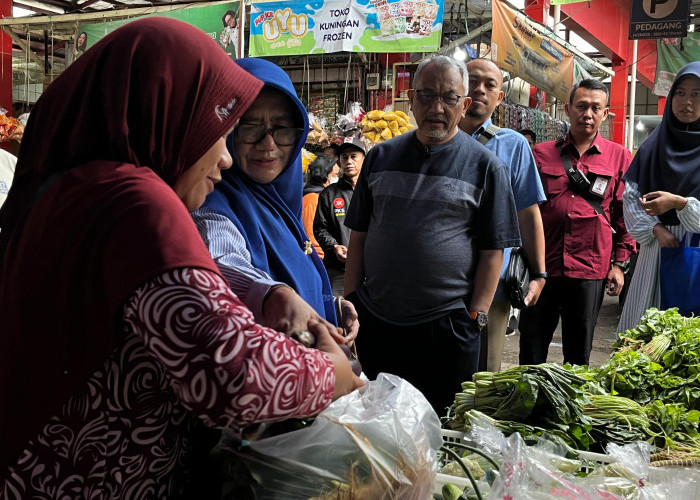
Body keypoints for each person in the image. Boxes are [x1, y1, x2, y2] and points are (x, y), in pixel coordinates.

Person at [0, 18, 362, 496]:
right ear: (166, 112)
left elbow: (166, 304)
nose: (228, 157)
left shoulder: (78, 188)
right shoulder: (136, 204)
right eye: (220, 127)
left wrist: (266, 292)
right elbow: (231, 374)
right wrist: (335, 375)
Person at [344, 54, 520, 414]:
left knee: (439, 428)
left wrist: (476, 317)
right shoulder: (379, 157)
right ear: (411, 99)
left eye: (449, 97)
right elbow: (358, 236)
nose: (436, 107)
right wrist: (351, 302)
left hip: (447, 328)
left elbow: (493, 252)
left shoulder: (486, 167)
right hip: (378, 322)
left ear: (464, 104)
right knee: (377, 423)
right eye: (426, 95)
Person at [192, 57, 359, 346]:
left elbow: (294, 271)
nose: (268, 145)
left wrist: (329, 306)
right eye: (250, 127)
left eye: (282, 129)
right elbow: (224, 265)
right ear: (227, 131)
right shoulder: (212, 205)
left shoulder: (280, 204)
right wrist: (272, 295)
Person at [519, 79, 636, 366]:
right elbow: (523, 209)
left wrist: (619, 265)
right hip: (543, 269)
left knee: (578, 353)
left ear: (605, 113)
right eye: (581, 106)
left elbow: (625, 215)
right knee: (532, 345)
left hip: (590, 269)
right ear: (568, 109)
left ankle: (570, 408)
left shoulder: (619, 156)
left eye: (596, 108)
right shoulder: (541, 154)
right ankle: (527, 407)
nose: (588, 113)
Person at [458, 58, 547, 373]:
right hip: (435, 283)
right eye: (472, 81)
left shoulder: (513, 146)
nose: (479, 90)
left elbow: (528, 212)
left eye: (489, 85)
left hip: (493, 288)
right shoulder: (432, 137)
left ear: (499, 97)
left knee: (483, 377)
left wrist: (539, 274)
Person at [618, 62, 700, 332]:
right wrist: (656, 228)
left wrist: (680, 203)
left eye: (697, 94)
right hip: (658, 250)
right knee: (646, 338)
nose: (686, 102)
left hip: (696, 254)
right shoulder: (653, 145)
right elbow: (630, 198)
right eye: (680, 93)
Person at [314, 136, 365, 296]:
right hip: (338, 271)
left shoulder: (372, 191)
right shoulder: (328, 194)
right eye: (344, 157)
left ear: (364, 159)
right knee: (340, 314)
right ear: (339, 162)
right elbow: (320, 228)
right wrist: (334, 246)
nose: (349, 161)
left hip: (370, 270)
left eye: (353, 156)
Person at [303, 154, 339, 259]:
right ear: (324, 176)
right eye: (335, 175)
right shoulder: (312, 199)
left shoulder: (321, 195)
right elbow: (311, 236)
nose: (337, 178)